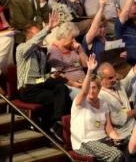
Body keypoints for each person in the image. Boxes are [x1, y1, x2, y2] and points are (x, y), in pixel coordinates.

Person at [16, 11, 70, 140]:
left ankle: (53, 122)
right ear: (29, 36)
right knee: (58, 98)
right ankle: (53, 124)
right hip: (27, 89)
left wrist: (50, 76)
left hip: (39, 85)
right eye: (37, 35)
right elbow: (34, 43)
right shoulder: (22, 48)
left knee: (61, 87)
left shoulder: (41, 53)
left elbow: (39, 78)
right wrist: (48, 28)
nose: (41, 38)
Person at [97, 35, 136, 139]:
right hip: (123, 134)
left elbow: (134, 72)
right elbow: (118, 120)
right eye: (110, 78)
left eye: (114, 76)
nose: (114, 80)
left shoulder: (119, 85)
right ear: (101, 79)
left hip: (135, 127)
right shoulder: (101, 96)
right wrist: (134, 111)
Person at [70, 54, 124, 161]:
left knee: (129, 147)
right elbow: (84, 91)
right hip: (85, 142)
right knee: (116, 154)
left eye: (94, 87)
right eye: (89, 87)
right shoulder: (80, 101)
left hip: (103, 139)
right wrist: (89, 71)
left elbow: (109, 128)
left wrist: (117, 138)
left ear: (99, 89)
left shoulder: (103, 103)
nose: (91, 90)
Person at [48, 22, 88, 92]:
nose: (74, 40)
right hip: (70, 86)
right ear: (64, 36)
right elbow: (57, 75)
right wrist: (74, 84)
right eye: (72, 37)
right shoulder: (55, 50)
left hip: (83, 82)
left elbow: (86, 65)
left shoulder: (73, 47)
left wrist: (80, 50)